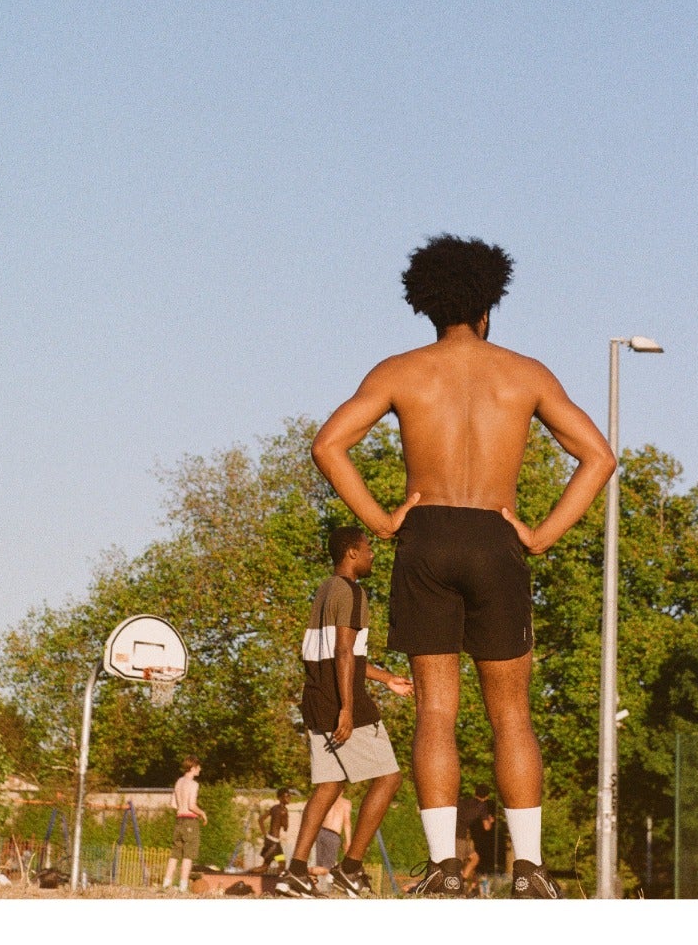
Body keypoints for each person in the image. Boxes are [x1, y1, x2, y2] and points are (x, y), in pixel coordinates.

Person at [312, 234, 617, 899]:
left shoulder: (400, 371)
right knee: (512, 715)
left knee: (436, 715)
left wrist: (384, 521)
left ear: (428, 307)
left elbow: (329, 444)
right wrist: (539, 537)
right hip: (496, 536)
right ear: (488, 308)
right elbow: (599, 457)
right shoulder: (525, 373)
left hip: (427, 537)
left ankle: (445, 869)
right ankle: (531, 871)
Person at [273, 526, 414, 898]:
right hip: (340, 699)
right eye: (368, 549)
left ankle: (296, 872)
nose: (372, 555)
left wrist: (385, 679)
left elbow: (342, 653)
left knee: (330, 785)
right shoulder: (352, 592)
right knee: (389, 779)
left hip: (316, 696)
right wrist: (348, 709)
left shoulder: (324, 590)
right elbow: (343, 653)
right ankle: (350, 868)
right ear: (351, 552)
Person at [163, 759, 208, 892]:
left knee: (175, 853)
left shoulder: (178, 782)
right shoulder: (193, 784)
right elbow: (191, 805)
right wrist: (203, 813)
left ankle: (166, 882)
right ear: (193, 767)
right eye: (199, 767)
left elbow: (173, 804)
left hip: (179, 821)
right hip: (190, 821)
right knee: (188, 855)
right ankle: (183, 885)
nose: (200, 769)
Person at [456, 786, 494, 888]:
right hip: (459, 836)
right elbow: (486, 827)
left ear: (475, 792)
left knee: (474, 858)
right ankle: (458, 883)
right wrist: (490, 821)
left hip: (455, 833)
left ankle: (463, 880)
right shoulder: (482, 806)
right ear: (487, 796)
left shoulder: (463, 802)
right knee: (458, 862)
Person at [255, 788, 291, 870]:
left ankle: (250, 874)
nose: (289, 798)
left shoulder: (274, 808)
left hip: (270, 840)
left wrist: (265, 834)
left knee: (269, 865)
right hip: (274, 843)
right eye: (286, 796)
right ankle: (250, 875)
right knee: (280, 865)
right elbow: (285, 828)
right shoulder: (284, 811)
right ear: (280, 798)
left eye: (289, 796)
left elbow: (260, 820)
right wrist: (285, 821)